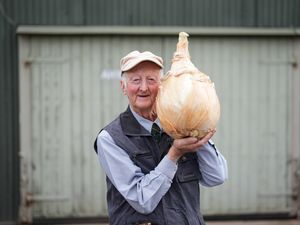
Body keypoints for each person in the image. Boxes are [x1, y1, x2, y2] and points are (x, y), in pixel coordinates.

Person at [94, 50, 228, 225]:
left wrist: (197, 125)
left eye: (151, 80)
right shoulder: (111, 139)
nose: (143, 87)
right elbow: (142, 200)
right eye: (135, 80)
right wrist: (174, 154)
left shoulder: (181, 123)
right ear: (123, 87)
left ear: (162, 85)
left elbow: (216, 177)